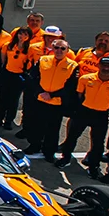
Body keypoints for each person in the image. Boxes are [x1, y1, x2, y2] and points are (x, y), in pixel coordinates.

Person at [62, 55, 109, 172]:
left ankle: (94, 166)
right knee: (72, 136)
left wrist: (107, 109)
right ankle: (65, 158)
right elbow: (80, 94)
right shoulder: (85, 79)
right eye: (103, 65)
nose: (106, 68)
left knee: (98, 142)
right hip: (84, 112)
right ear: (98, 65)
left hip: (101, 115)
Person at [29, 31, 79, 161]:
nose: (59, 51)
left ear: (67, 50)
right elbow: (33, 77)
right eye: (56, 47)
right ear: (52, 48)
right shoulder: (43, 59)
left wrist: (51, 95)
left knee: (53, 129)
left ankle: (49, 152)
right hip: (40, 99)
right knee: (36, 125)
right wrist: (40, 92)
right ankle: (34, 146)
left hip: (56, 103)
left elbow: (70, 87)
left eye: (63, 48)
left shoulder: (73, 66)